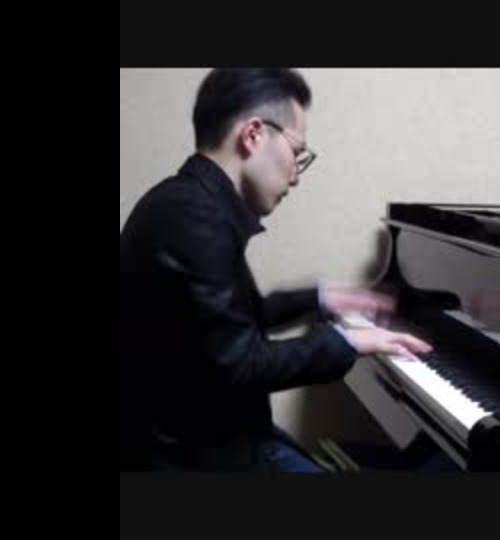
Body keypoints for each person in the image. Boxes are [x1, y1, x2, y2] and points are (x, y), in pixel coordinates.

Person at [119, 68, 431, 471]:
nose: (296, 176)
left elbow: (225, 322)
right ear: (253, 135)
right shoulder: (192, 217)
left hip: (212, 433)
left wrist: (319, 299)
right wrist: (348, 341)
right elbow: (239, 363)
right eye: (296, 152)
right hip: (198, 455)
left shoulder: (185, 203)